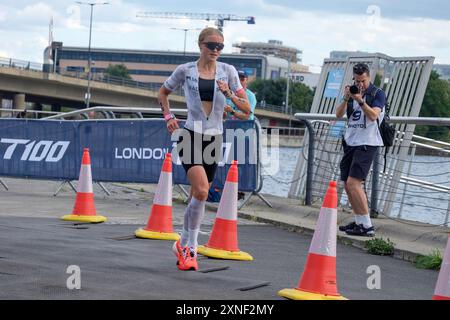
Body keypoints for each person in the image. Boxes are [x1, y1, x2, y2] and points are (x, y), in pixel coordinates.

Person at [158, 27, 251, 271]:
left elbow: (247, 108)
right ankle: (191, 246)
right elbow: (163, 92)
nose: (216, 50)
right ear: (201, 45)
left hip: (214, 138)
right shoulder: (186, 70)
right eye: (211, 45)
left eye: (220, 46)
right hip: (189, 134)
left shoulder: (228, 71)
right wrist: (168, 116)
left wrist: (229, 93)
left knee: (199, 194)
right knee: (200, 191)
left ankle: (183, 242)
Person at [335, 63, 386, 237]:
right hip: (351, 142)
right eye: (357, 80)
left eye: (362, 80)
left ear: (369, 77)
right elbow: (338, 115)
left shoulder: (377, 93)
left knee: (354, 183)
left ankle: (367, 226)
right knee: (348, 185)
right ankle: (360, 222)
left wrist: (360, 100)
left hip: (367, 142)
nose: (360, 84)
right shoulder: (353, 93)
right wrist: (346, 98)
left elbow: (373, 116)